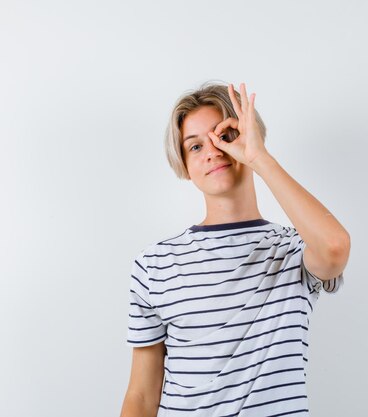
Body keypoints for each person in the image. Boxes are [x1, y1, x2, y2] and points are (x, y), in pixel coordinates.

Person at [119, 81, 350, 417]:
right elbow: (141, 395)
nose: (212, 151)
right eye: (195, 147)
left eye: (223, 137)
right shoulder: (155, 264)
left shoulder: (293, 249)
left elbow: (334, 247)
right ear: (183, 163)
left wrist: (259, 158)